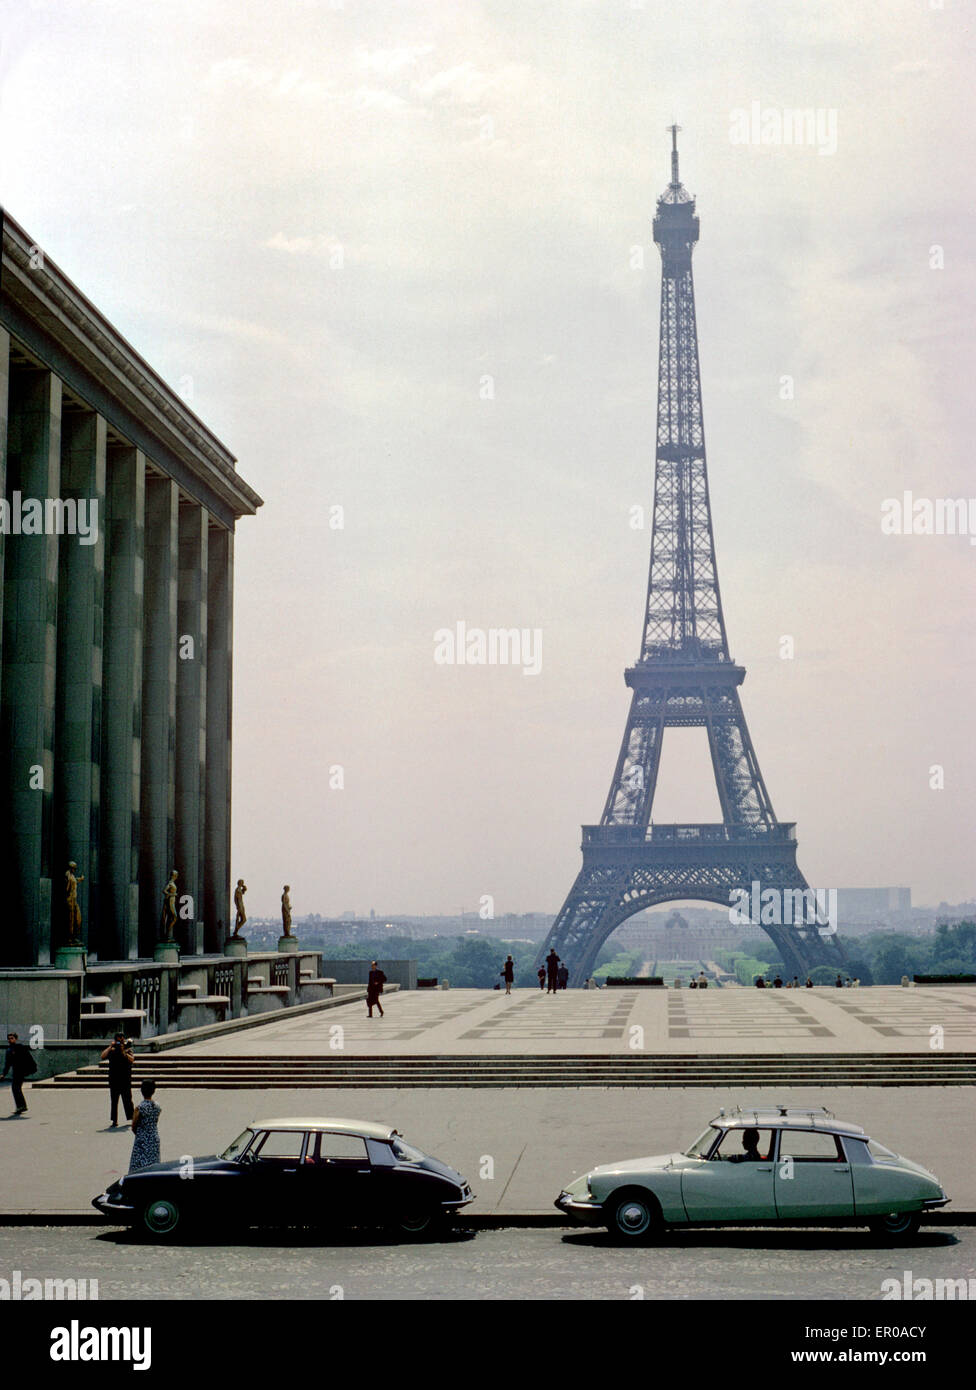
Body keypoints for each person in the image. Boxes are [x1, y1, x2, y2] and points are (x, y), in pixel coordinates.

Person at [101, 1032, 135, 1127]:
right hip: (114, 1079)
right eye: (118, 1039)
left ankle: (131, 1117)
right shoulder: (112, 1050)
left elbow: (132, 1059)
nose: (120, 1041)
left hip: (125, 1079)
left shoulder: (127, 1049)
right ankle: (114, 1120)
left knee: (128, 1099)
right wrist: (110, 1047)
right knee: (114, 1101)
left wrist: (124, 1051)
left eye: (122, 1039)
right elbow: (103, 1056)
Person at [129, 1080, 161, 1172]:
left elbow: (133, 1126)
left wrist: (140, 1134)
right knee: (154, 1165)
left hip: (142, 1140)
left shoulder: (139, 1108)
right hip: (154, 1138)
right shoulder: (157, 1107)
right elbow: (155, 1121)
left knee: (139, 1167)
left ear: (141, 1091)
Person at [2, 1032, 36, 1114]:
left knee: (16, 1088)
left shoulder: (20, 1048)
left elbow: (29, 1058)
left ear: (16, 1039)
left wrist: (30, 1068)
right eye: (9, 1039)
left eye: (12, 1038)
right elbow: (8, 1063)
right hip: (16, 1071)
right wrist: (4, 1074)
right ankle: (21, 1106)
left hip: (20, 1071)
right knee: (16, 1088)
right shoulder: (9, 1050)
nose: (10, 1040)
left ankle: (21, 1106)